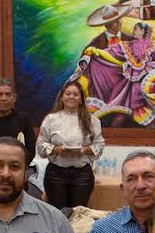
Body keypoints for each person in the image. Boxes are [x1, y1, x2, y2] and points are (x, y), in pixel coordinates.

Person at [36, 81, 104, 211]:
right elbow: (40, 145)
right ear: (62, 97)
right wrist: (56, 149)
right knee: (57, 214)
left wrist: (85, 150)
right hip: (55, 175)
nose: (71, 97)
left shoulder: (92, 120)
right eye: (68, 94)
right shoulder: (50, 119)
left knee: (78, 214)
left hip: (82, 175)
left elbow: (99, 145)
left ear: (81, 99)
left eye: (75, 94)